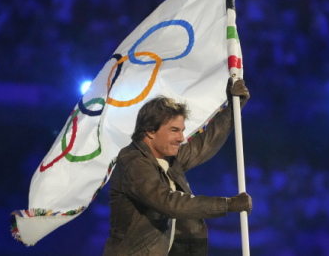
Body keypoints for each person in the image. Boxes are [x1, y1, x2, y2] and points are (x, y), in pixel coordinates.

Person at [103, 79, 252, 256]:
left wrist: (232, 110)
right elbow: (170, 203)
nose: (181, 138)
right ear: (150, 131)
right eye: (174, 130)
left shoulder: (167, 157)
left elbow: (203, 145)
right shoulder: (133, 162)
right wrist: (228, 204)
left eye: (182, 130)